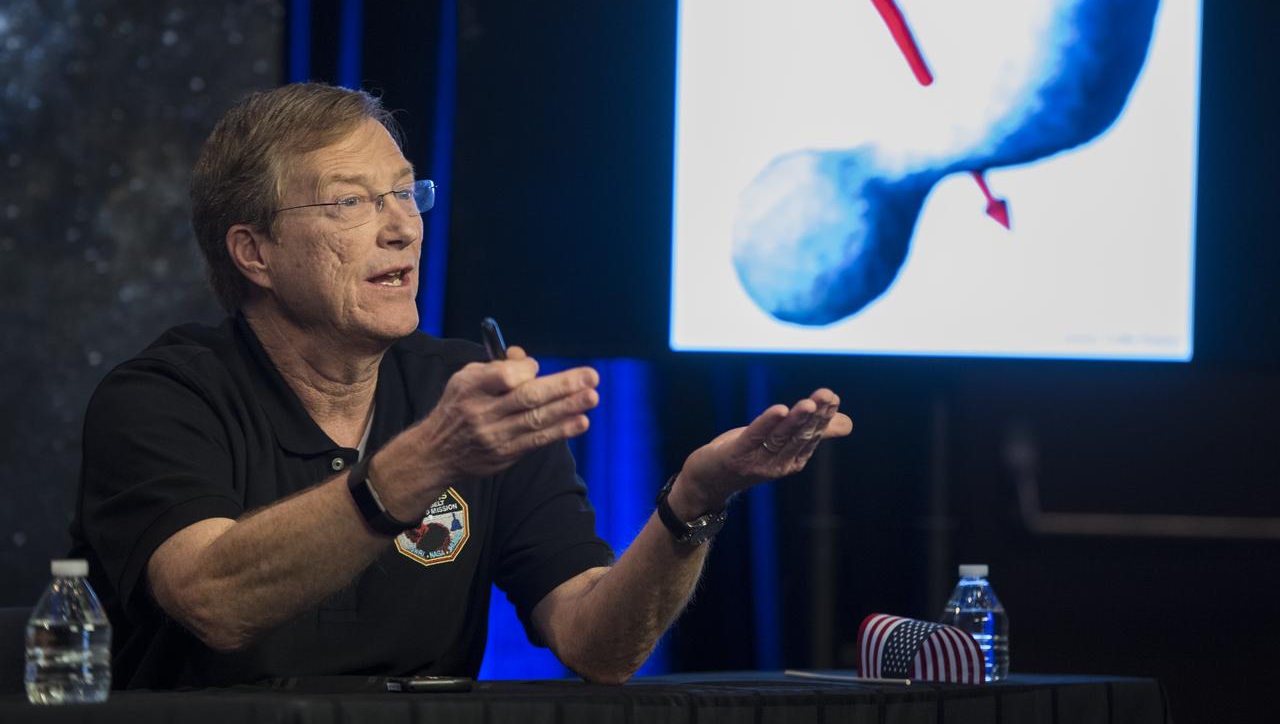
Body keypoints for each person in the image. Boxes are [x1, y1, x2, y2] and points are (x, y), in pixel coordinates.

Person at [70, 83, 851, 688]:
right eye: (351, 202)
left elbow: (595, 643)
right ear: (254, 252)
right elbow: (213, 600)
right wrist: (432, 458)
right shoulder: (159, 400)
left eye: (406, 193)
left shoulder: (467, 396)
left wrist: (692, 503)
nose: (402, 226)